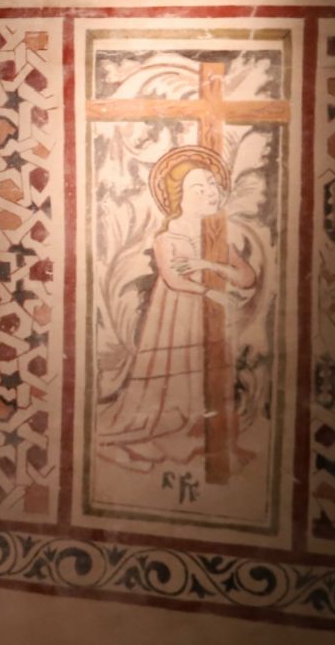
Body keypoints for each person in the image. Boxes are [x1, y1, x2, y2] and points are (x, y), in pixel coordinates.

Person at [96, 145, 257, 471]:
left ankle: (199, 430)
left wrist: (211, 265)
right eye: (198, 188)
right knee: (173, 371)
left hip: (206, 319)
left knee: (204, 373)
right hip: (173, 316)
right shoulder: (167, 237)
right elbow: (173, 280)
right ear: (178, 196)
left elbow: (246, 277)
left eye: (213, 186)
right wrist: (213, 293)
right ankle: (168, 428)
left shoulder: (215, 238)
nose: (210, 193)